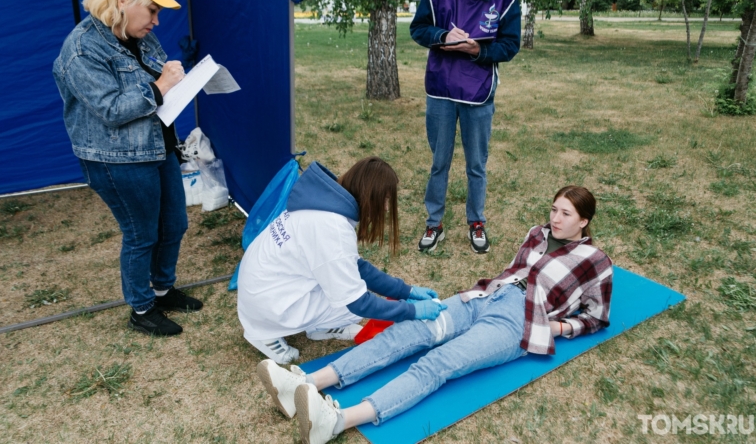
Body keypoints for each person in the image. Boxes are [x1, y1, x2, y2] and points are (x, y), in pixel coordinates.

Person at [257, 186, 613, 443]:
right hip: (484, 296)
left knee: (438, 363)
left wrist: (559, 326)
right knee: (406, 333)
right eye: (553, 209)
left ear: (584, 221)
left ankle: (334, 422)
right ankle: (304, 382)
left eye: (565, 214)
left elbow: (597, 316)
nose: (555, 218)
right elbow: (512, 272)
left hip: (518, 321)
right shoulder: (536, 233)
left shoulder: (595, 262)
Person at [53, 0, 203, 336]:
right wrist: (159, 87)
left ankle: (162, 289)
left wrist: (179, 82)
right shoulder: (82, 49)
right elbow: (111, 109)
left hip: (157, 145)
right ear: (122, 0)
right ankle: (141, 309)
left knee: (175, 224)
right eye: (151, 9)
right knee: (141, 234)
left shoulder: (140, 35)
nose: (156, 20)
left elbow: (158, 79)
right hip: (116, 158)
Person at [237, 157, 445, 365]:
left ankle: (320, 326)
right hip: (265, 303)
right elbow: (358, 302)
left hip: (263, 285)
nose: (387, 208)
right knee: (350, 303)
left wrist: (405, 291)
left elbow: (355, 267)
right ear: (370, 196)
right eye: (386, 200)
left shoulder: (324, 205)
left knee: (348, 288)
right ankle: (264, 334)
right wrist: (412, 311)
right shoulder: (332, 227)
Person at [410, 0, 522, 254]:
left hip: (478, 93)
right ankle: (434, 223)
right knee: (439, 162)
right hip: (442, 90)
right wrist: (443, 36)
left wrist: (477, 51)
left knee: (476, 164)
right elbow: (418, 29)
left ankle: (476, 221)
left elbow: (510, 44)